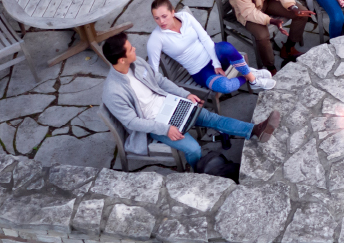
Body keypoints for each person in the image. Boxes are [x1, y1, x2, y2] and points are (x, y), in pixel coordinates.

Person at [101, 33, 280, 168]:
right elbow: (132, 122)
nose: (135, 49)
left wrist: (185, 94)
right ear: (121, 59)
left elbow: (160, 81)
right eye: (130, 48)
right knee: (193, 149)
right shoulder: (113, 91)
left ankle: (254, 130)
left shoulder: (136, 63)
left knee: (212, 118)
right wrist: (166, 129)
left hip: (171, 104)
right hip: (154, 123)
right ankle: (199, 174)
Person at [147, 0, 275, 94]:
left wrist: (216, 63)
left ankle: (253, 80)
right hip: (200, 71)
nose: (161, 21)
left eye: (164, 16)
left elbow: (205, 38)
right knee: (225, 87)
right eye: (156, 18)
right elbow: (154, 71)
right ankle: (247, 75)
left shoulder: (185, 17)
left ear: (172, 12)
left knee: (226, 47)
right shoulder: (156, 39)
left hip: (213, 55)